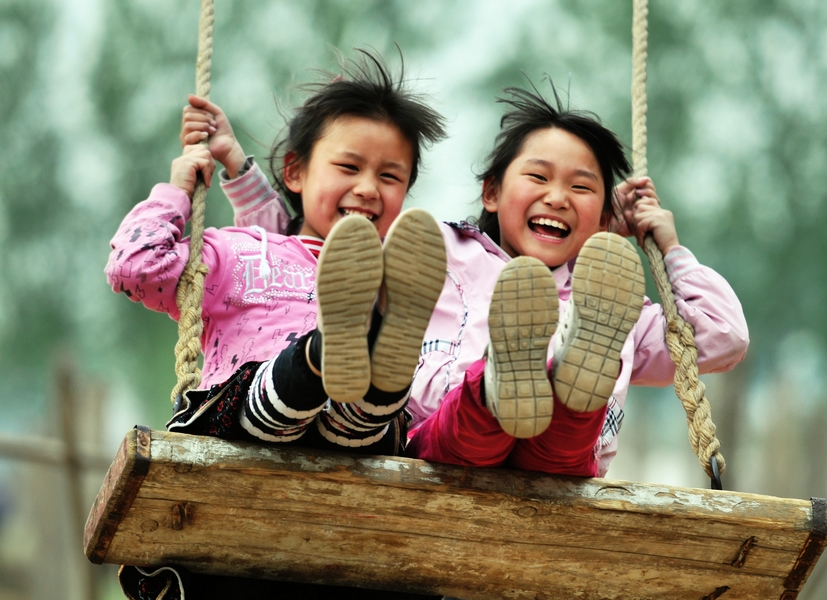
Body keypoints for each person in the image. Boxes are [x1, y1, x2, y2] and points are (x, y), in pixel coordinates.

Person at [189, 82, 749, 479]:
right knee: (474, 418)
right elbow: (312, 260)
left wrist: (667, 245)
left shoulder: (616, 306)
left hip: (562, 470)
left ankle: (570, 373)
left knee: (572, 422)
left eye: (581, 188)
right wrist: (239, 171)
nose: (557, 197)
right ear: (491, 192)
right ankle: (503, 377)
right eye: (538, 177)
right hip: (441, 435)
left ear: (606, 218)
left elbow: (721, 336)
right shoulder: (432, 247)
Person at [107, 50, 448, 600]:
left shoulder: (396, 279)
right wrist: (176, 190)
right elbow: (135, 269)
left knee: (368, 414)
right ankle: (322, 355)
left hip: (353, 459)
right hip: (237, 431)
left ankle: (375, 367)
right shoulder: (238, 251)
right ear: (294, 172)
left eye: (390, 176)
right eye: (349, 167)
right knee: (271, 394)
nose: (369, 188)